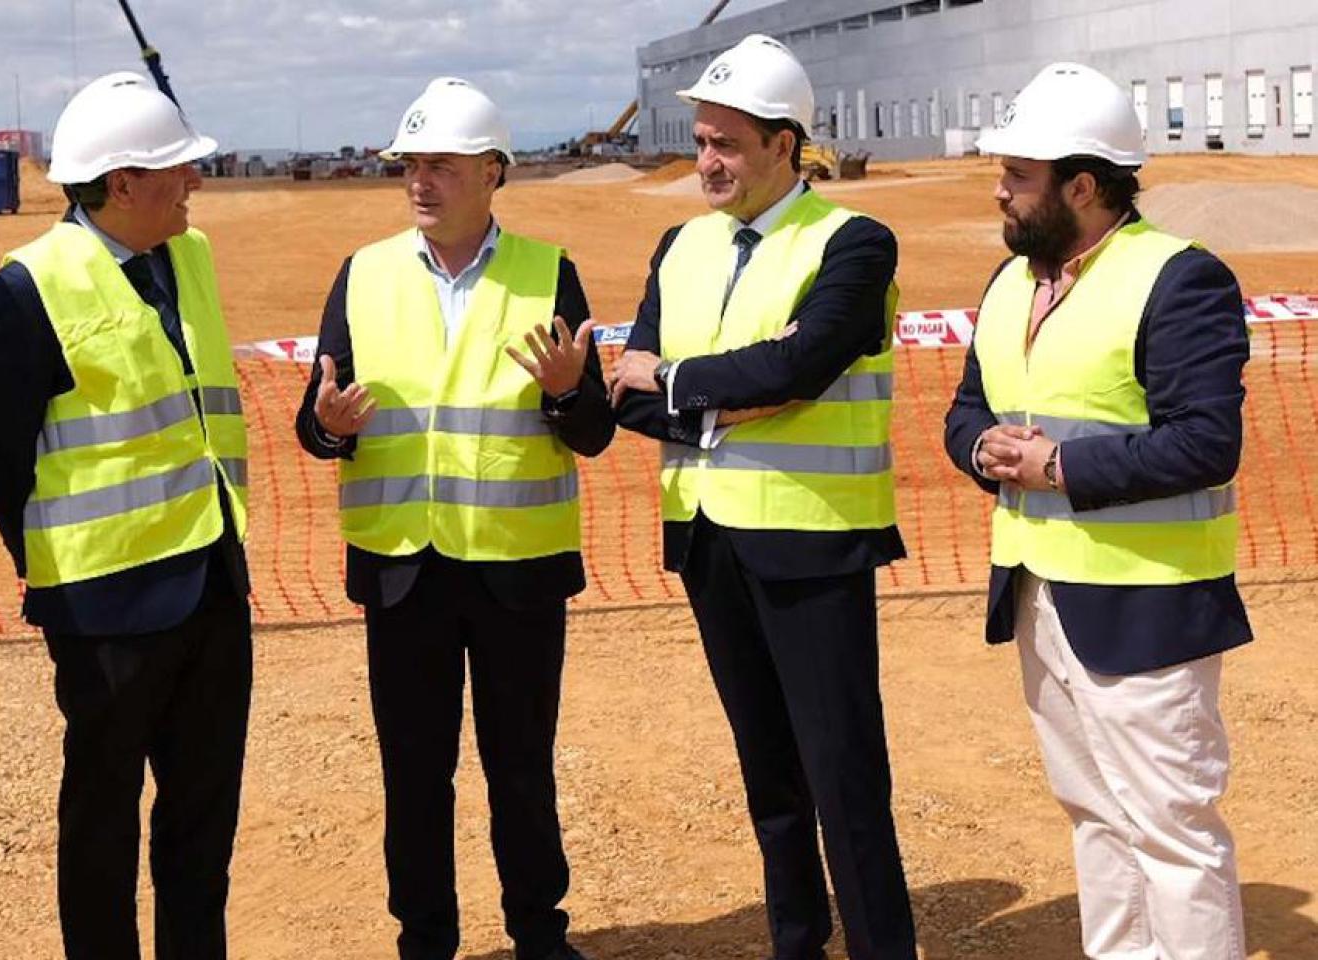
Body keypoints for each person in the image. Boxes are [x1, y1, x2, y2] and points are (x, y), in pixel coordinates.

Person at [609, 35, 917, 960]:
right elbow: (628, 393)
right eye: (701, 140)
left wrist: (679, 378)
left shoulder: (853, 243)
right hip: (709, 540)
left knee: (843, 773)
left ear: (786, 145)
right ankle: (796, 941)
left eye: (728, 144)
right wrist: (722, 395)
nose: (706, 161)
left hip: (813, 543)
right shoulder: (681, 245)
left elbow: (802, 364)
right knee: (768, 773)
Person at [294, 77, 613, 960]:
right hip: (404, 573)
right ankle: (424, 941)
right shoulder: (363, 275)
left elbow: (593, 432)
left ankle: (538, 935)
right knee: (415, 775)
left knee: (521, 768)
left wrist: (564, 397)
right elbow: (314, 417)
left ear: (492, 173)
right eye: (410, 165)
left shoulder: (550, 274)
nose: (420, 182)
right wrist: (328, 428)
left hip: (516, 568)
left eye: (440, 165)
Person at [945, 61, 1252, 960]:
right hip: (1042, 594)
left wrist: (1056, 464)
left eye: (1018, 177)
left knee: (1172, 827)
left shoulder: (1178, 278)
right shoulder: (1012, 283)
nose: (998, 190)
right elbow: (970, 404)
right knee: (1093, 813)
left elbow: (1205, 440)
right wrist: (981, 449)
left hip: (1146, 606)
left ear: (1083, 184)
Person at [0, 72, 251, 960]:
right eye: (175, 170)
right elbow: (5, 465)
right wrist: (60, 571)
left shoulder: (189, 256)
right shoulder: (25, 291)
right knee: (102, 818)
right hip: (103, 611)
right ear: (121, 183)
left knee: (202, 817)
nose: (193, 183)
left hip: (210, 578)